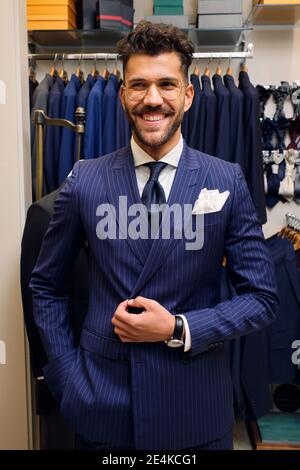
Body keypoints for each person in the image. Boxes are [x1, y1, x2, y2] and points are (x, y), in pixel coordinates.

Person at [30, 21, 278, 451]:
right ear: (123, 93)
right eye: (138, 85)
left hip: (195, 405)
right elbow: (46, 286)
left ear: (187, 94)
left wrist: (178, 327)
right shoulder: (85, 181)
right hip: (101, 403)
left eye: (166, 84)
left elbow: (262, 298)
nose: (152, 99)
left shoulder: (226, 180)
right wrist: (68, 375)